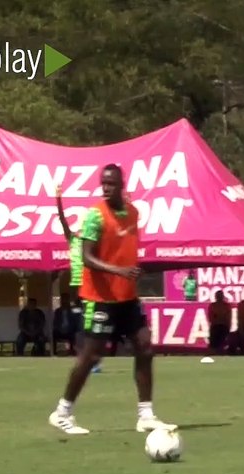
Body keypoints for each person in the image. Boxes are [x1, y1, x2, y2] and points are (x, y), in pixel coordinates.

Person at [48, 163, 175, 435]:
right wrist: (119, 271)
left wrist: (134, 271)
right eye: (103, 183)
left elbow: (126, 251)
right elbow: (86, 257)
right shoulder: (95, 216)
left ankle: (146, 415)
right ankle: (62, 412)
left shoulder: (133, 213)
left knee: (145, 348)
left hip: (127, 298)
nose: (106, 188)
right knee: (91, 356)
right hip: (100, 298)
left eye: (111, 184)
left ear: (122, 184)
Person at [55, 186, 101, 373]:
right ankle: (84, 356)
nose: (81, 231)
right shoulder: (72, 240)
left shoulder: (90, 244)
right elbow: (63, 220)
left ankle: (93, 359)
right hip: (76, 286)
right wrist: (58, 200)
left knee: (89, 322)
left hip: (89, 285)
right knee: (78, 323)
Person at [206, 290, 233, 357]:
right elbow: (211, 319)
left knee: (222, 335)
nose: (219, 297)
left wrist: (218, 317)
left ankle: (221, 351)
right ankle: (213, 351)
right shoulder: (212, 306)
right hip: (215, 327)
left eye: (220, 296)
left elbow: (228, 319)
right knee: (215, 332)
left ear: (223, 297)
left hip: (224, 327)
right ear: (215, 297)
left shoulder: (227, 306)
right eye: (218, 296)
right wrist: (221, 318)